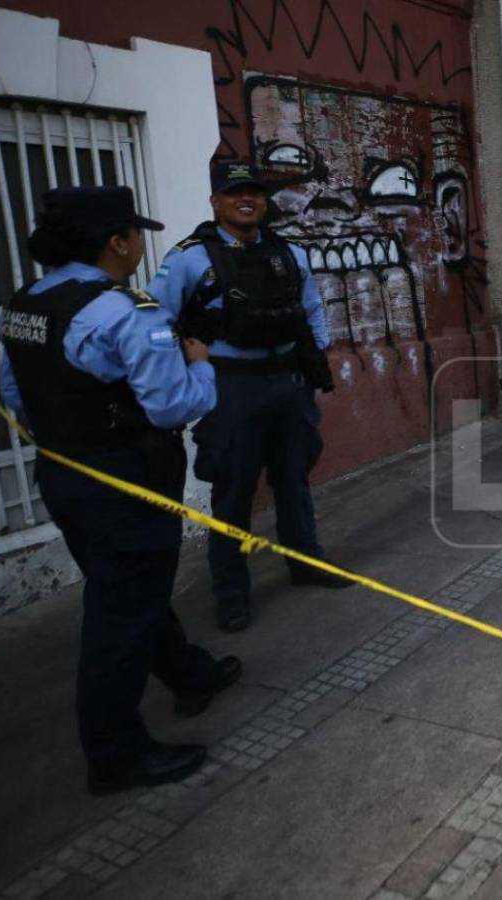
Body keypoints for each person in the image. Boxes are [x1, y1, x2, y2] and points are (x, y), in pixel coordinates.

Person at [0, 186, 241, 795]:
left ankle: (190, 676)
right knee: (119, 615)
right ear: (117, 242)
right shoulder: (127, 312)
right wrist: (201, 362)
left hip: (65, 476)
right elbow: (170, 406)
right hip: (125, 480)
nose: (139, 245)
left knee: (130, 590)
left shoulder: (24, 304)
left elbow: (15, 396)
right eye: (134, 234)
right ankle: (115, 754)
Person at [147, 162, 349, 634]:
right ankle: (231, 592)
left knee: (293, 477)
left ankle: (306, 561)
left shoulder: (288, 253)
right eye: (235, 192)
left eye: (255, 193)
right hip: (230, 386)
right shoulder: (189, 258)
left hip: (286, 380)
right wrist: (178, 379)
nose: (247, 200)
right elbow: (156, 322)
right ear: (215, 201)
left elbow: (312, 306)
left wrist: (317, 357)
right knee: (233, 491)